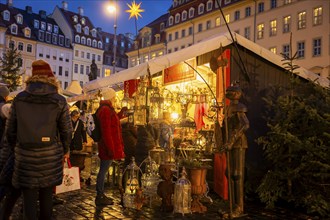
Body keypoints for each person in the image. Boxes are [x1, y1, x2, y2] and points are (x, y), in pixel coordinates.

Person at [5, 59, 72, 219]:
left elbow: (10, 130)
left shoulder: (19, 98)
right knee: (47, 199)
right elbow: (66, 131)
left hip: (25, 157)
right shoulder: (60, 100)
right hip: (50, 157)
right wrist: (65, 149)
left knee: (28, 201)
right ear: (51, 78)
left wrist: (18, 146)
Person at [95, 88, 125, 206]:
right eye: (114, 97)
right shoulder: (106, 110)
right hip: (107, 146)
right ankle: (100, 195)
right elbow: (106, 131)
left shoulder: (106, 109)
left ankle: (101, 194)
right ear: (110, 97)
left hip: (107, 146)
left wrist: (121, 114)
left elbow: (111, 123)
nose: (115, 99)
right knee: (103, 171)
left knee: (103, 170)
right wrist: (110, 148)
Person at [223, 85, 249, 218]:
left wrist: (231, 141)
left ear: (238, 93)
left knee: (237, 174)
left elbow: (244, 125)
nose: (228, 93)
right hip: (230, 144)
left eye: (231, 91)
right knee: (229, 173)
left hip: (238, 144)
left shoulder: (240, 107)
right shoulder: (228, 108)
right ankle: (232, 205)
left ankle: (239, 207)